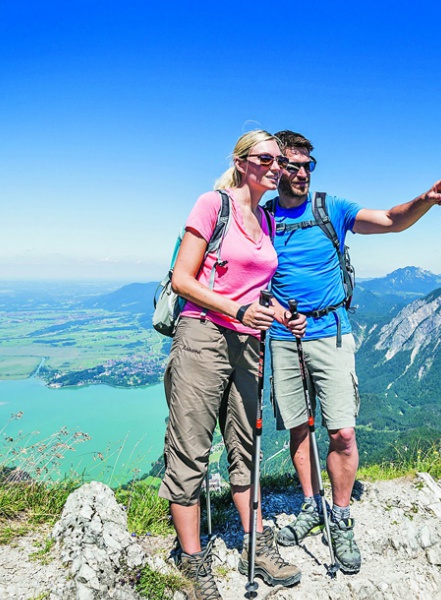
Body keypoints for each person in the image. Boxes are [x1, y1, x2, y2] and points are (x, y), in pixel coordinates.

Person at [266, 129, 441, 574]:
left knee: (342, 433)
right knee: (297, 429)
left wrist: (425, 200)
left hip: (330, 331)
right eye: (292, 165)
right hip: (281, 336)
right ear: (277, 168)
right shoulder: (262, 217)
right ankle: (312, 507)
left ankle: (341, 515)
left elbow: (390, 219)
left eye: (308, 166)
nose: (301, 174)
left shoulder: (330, 208)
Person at [159, 130, 306, 599]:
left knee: (247, 446)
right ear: (242, 162)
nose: (275, 166)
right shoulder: (212, 204)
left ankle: (255, 546)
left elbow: (254, 289)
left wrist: (281, 313)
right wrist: (234, 309)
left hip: (248, 343)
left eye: (279, 160)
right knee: (191, 447)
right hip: (203, 335)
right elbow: (183, 279)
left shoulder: (266, 218)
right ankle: (192, 558)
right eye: (265, 158)